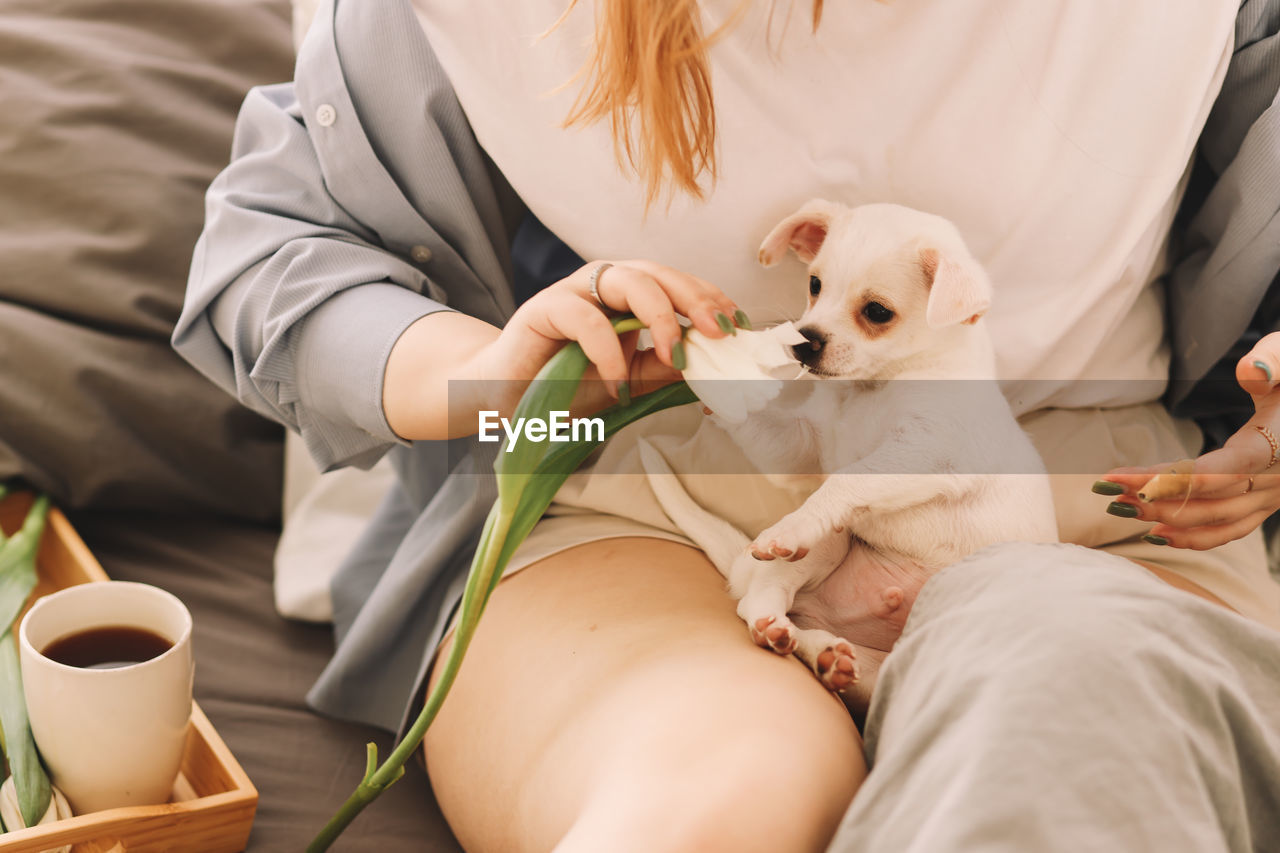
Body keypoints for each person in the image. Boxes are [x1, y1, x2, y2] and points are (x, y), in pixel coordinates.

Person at [174, 0, 1280, 849]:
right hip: (655, 503)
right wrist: (489, 380)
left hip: (1097, 511)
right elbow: (280, 259)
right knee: (714, 800)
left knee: (1065, 704)